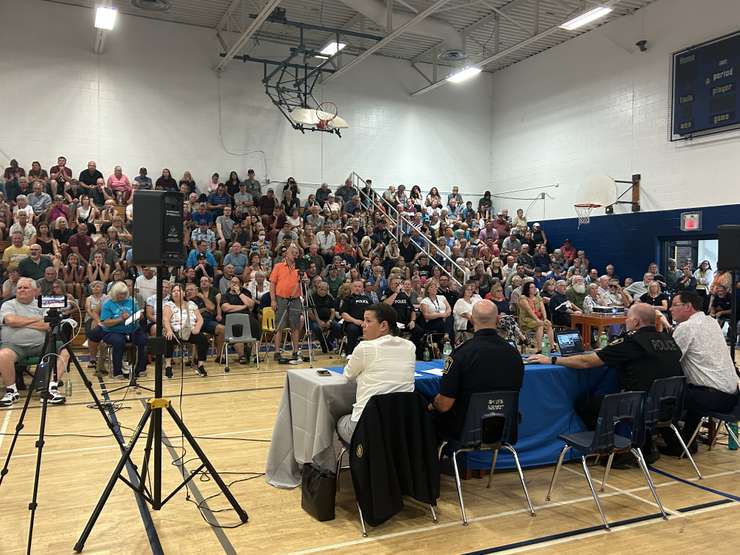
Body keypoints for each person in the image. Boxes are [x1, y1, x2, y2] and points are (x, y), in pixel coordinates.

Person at [530, 303, 683, 466]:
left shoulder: (632, 341)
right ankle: (643, 445)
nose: (626, 321)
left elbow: (585, 362)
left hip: (639, 406)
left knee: (586, 404)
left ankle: (613, 449)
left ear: (636, 322)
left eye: (628, 318)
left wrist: (552, 359)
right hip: (668, 405)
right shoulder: (668, 339)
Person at [430, 300, 524, 439]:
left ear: (472, 320)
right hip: (504, 426)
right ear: (498, 319)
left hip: (465, 428)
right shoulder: (515, 354)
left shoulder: (461, 354)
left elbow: (444, 405)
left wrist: (432, 403)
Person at [665, 291, 739, 454]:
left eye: (675, 305)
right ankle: (687, 440)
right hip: (732, 396)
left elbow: (669, 360)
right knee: (689, 388)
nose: (670, 309)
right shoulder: (711, 322)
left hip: (710, 397)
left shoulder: (686, 327)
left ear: (688, 306)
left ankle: (677, 445)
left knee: (662, 395)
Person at [337, 303, 416, 442]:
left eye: (368, 321)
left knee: (339, 419)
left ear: (383, 326)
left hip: (367, 427)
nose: (363, 325)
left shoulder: (365, 347)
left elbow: (348, 375)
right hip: (401, 426)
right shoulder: (410, 346)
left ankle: (323, 462)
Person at [0, 278, 70, 407]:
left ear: (34, 291)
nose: (22, 290)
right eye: (20, 287)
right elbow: (10, 321)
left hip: (41, 344)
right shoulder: (8, 305)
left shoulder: (41, 304)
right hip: (14, 346)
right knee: (3, 355)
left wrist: (20, 323)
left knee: (64, 352)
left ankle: (51, 388)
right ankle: (11, 391)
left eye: (25, 288)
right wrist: (35, 320)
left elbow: (48, 325)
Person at [98, 281, 148, 379]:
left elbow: (139, 313)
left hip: (133, 329)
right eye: (120, 294)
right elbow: (105, 322)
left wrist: (139, 316)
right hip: (113, 331)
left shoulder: (131, 301)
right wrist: (120, 319)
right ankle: (117, 372)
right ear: (114, 293)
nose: (122, 296)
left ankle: (140, 369)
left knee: (143, 339)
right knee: (118, 342)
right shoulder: (108, 304)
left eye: (124, 294)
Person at [163, 284, 209, 378]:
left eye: (178, 291)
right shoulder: (168, 305)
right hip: (176, 332)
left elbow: (200, 319)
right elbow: (165, 320)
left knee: (203, 339)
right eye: (174, 291)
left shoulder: (191, 304)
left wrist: (197, 328)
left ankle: (200, 365)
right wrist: (169, 330)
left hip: (190, 331)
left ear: (183, 293)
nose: (176, 293)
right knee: (168, 338)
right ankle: (168, 365)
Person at [269, 244, 304, 361]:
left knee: (295, 326)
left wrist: (306, 281)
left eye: (296, 253)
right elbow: (272, 284)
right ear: (287, 254)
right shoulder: (278, 266)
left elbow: (304, 282)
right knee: (279, 326)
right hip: (281, 299)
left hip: (295, 299)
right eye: (293, 253)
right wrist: (273, 300)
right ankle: (277, 352)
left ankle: (295, 351)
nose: (295, 255)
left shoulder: (300, 267)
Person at [518, 281, 555, 352]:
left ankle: (552, 347)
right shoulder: (523, 298)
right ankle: (539, 348)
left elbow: (543, 309)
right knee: (540, 325)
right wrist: (537, 320)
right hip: (526, 319)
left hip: (537, 319)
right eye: (532, 287)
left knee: (548, 324)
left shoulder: (538, 297)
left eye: (534, 287)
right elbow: (529, 310)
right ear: (527, 289)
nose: (534, 289)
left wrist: (545, 318)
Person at [340, 279, 372, 356]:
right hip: (352, 323)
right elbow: (344, 314)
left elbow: (374, 312)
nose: (357, 288)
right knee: (352, 329)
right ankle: (350, 354)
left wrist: (367, 322)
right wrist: (356, 321)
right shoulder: (347, 299)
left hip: (366, 323)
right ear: (351, 288)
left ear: (363, 288)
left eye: (359, 286)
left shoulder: (367, 299)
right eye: (355, 286)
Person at [307, 281, 339, 353]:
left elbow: (333, 311)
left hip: (328, 319)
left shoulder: (330, 298)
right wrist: (318, 321)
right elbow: (310, 312)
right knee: (316, 328)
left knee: (337, 326)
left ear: (327, 290)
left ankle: (328, 342)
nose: (323, 291)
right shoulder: (312, 298)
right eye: (321, 289)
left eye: (325, 290)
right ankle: (324, 343)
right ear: (317, 288)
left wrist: (330, 321)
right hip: (315, 320)